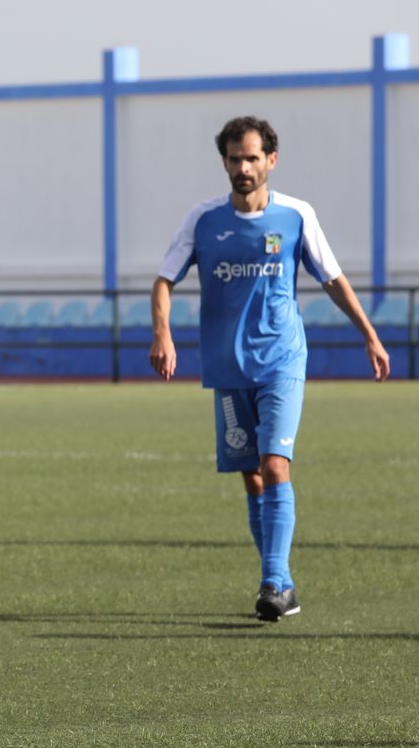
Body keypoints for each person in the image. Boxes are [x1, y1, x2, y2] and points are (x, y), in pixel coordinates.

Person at [149, 116, 389, 622]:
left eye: (252, 158)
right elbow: (165, 278)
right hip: (227, 367)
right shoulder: (203, 220)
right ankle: (281, 581)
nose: (243, 167)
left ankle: (272, 583)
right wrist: (163, 334)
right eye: (235, 159)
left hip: (282, 360)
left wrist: (369, 333)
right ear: (225, 163)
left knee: (275, 465)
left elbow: (332, 278)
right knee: (252, 480)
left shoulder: (297, 215)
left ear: (271, 161)